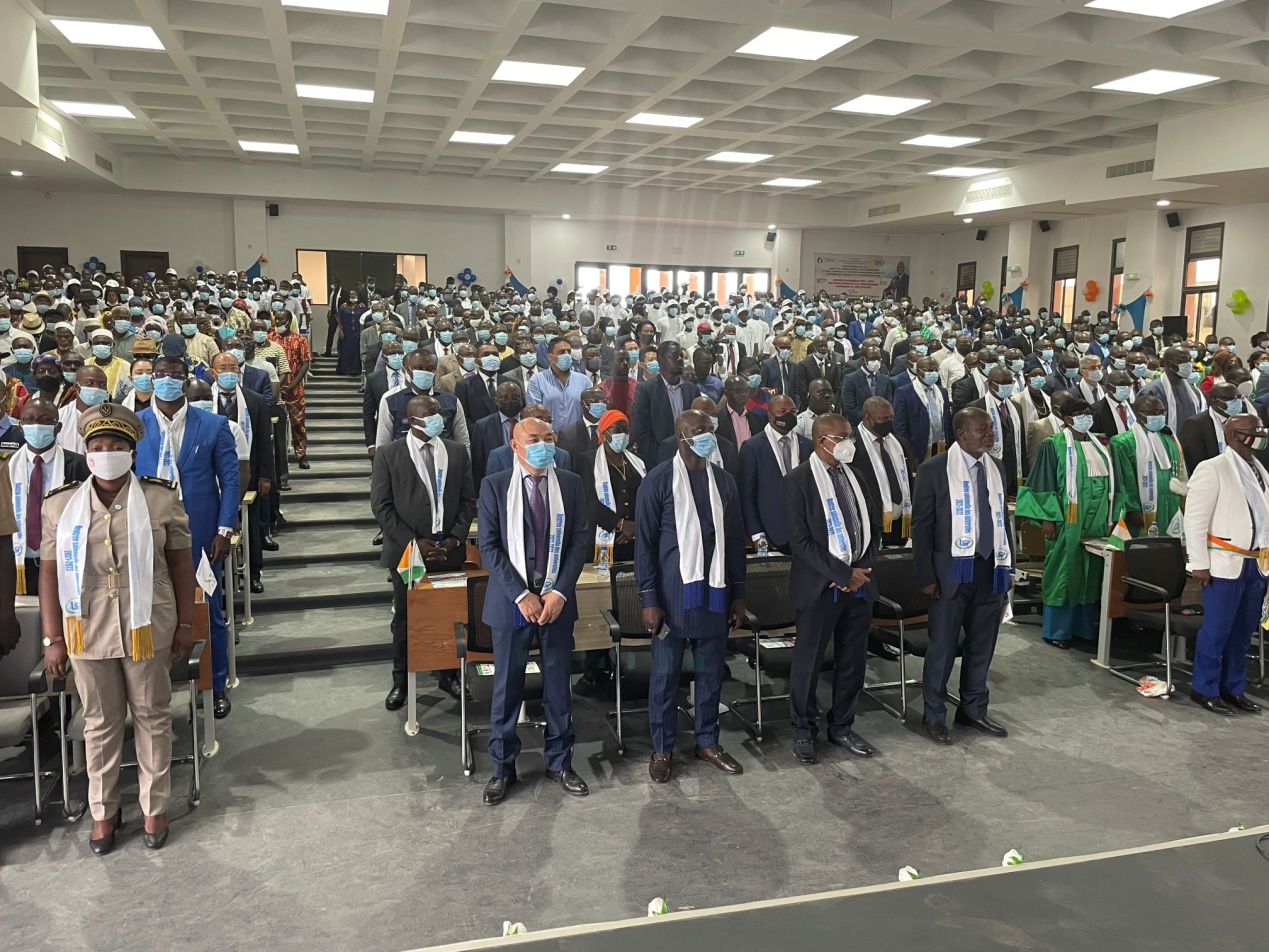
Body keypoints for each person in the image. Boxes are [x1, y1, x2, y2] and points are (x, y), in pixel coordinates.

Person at [40, 403, 197, 854]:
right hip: (86, 625)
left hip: (148, 623)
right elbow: (48, 573)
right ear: (87, 452)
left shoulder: (160, 498)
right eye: (98, 446)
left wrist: (186, 623)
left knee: (152, 715)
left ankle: (154, 806)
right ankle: (103, 810)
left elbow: (180, 564)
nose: (106, 453)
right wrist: (52, 638)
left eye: (116, 446)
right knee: (100, 723)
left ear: (132, 452)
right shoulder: (60, 504)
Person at [477, 416, 590, 805]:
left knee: (558, 688)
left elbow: (579, 541)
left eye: (548, 438)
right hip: (513, 604)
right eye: (534, 439)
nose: (543, 445)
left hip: (556, 604)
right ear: (515, 445)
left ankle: (560, 763)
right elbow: (489, 546)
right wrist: (521, 595)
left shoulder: (570, 484)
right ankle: (502, 769)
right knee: (507, 689)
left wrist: (559, 592)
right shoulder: (494, 486)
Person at [635, 409, 746, 783]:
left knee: (711, 674)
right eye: (699, 431)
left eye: (710, 429)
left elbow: (734, 542)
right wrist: (649, 600)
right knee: (665, 679)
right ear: (680, 437)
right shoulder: (657, 481)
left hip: (715, 596)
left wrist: (738, 594)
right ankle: (662, 748)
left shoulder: (724, 482)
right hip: (671, 599)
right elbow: (645, 546)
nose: (707, 436)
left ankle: (708, 742)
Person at [135, 356, 240, 716]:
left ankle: (215, 683)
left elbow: (230, 479)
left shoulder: (213, 424)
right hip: (148, 535)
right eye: (159, 375)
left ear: (185, 380)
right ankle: (160, 684)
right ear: (151, 379)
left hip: (201, 534)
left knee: (206, 611)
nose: (166, 380)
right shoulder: (135, 424)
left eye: (174, 375)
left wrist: (225, 528)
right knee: (151, 611)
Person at [781, 413, 881, 764]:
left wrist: (861, 569)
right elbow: (800, 541)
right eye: (842, 437)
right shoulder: (797, 481)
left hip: (859, 584)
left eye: (850, 435)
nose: (848, 443)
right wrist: (842, 573)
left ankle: (842, 726)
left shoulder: (856, 476)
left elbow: (872, 527)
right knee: (808, 664)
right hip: (819, 586)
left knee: (852, 661)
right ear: (821, 441)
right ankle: (803, 730)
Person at [911, 407, 1013, 745]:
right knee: (942, 648)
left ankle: (973, 709)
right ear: (961, 434)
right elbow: (922, 528)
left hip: (990, 569)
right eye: (982, 428)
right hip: (950, 573)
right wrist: (926, 576)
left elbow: (1002, 520)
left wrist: (1009, 566)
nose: (990, 434)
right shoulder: (934, 470)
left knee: (982, 645)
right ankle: (934, 714)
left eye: (991, 428)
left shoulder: (996, 467)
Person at [372, 394, 478, 709]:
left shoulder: (456, 452)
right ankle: (401, 680)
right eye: (430, 413)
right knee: (406, 619)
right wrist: (413, 541)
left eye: (438, 411)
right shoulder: (389, 454)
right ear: (412, 420)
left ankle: (449, 675)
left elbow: (468, 500)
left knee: (449, 616)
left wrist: (455, 538)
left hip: (448, 551)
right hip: (409, 554)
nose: (437, 417)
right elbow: (381, 505)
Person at [1183, 414, 1269, 717]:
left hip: (1256, 563)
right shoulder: (1213, 468)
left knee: (1243, 632)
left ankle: (1233, 688)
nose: (1260, 434)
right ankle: (1204, 689)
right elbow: (1194, 520)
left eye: (1261, 429)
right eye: (1253, 430)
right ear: (1233, 434)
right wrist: (1198, 563)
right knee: (1217, 630)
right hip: (1223, 563)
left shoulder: (1259, 469)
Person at [1014, 397, 1114, 648]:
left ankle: (1083, 629)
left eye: (1088, 413)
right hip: (1067, 520)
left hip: (1097, 520)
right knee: (1063, 572)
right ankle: (1057, 631)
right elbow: (1042, 483)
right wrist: (1047, 519)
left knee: (1089, 573)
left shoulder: (1101, 444)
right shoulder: (1053, 445)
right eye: (1080, 414)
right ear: (1068, 419)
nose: (1086, 417)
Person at [8, 397, 89, 595]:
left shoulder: (80, 466)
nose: (36, 425)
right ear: (21, 427)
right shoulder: (6, 466)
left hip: (65, 561)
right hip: (17, 562)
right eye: (29, 419)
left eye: (45, 420)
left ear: (58, 427)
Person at [210, 352, 273, 594]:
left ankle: (253, 573)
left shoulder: (254, 400)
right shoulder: (203, 398)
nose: (229, 372)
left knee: (251, 524)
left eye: (233, 367)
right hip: (213, 472)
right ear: (213, 373)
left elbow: (264, 441)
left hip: (248, 470)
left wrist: (266, 475)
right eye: (223, 368)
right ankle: (223, 575)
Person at [740, 395, 810, 555]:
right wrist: (757, 534)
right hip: (771, 532)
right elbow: (746, 495)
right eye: (783, 411)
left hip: (805, 532)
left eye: (793, 411)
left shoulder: (808, 446)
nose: (789, 415)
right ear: (770, 415)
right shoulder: (752, 447)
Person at [1110, 394, 1185, 537]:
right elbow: (1124, 479)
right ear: (1139, 415)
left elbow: (1178, 471)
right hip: (1143, 506)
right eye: (1154, 413)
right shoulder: (1123, 442)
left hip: (1170, 503)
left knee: (1171, 543)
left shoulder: (1169, 438)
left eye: (1162, 412)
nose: (1159, 416)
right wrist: (1132, 508)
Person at [630, 340, 700, 460]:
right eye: (674, 356)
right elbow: (640, 431)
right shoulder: (646, 390)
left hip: (690, 457)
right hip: (658, 459)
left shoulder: (692, 390)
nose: (680, 360)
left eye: (681, 356)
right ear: (661, 361)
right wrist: (661, 456)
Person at [857, 396, 911, 546]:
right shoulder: (853, 447)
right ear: (868, 418)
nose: (889, 422)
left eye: (891, 418)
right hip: (870, 523)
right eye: (884, 418)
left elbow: (907, 479)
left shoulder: (899, 442)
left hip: (900, 521)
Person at [968, 366, 1024, 495]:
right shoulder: (976, 407)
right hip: (986, 464)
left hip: (1012, 467)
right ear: (990, 384)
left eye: (1010, 382)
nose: (1007, 386)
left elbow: (1021, 440)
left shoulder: (1016, 407)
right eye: (1002, 383)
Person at [270, 308, 312, 469]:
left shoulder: (299, 339)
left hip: (294, 389)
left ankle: (301, 456)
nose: (278, 322)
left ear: (288, 321)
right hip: (273, 390)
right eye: (276, 319)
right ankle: (276, 458)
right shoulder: (269, 338)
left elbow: (305, 364)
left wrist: (292, 385)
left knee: (298, 423)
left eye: (281, 319)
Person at [1141, 345, 1207, 435]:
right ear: (1168, 363)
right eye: (1182, 361)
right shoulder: (1151, 392)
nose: (1188, 364)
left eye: (1189, 360)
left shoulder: (1195, 393)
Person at [1179, 381, 1243, 472]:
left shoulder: (1243, 422)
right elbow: (1194, 462)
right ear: (1214, 401)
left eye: (1239, 397)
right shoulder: (1195, 424)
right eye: (1231, 399)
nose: (1237, 402)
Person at [840, 343, 893, 425]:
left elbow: (889, 402)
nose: (876, 362)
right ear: (862, 359)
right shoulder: (850, 379)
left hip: (882, 424)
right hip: (859, 425)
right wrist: (870, 420)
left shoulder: (885, 380)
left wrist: (881, 419)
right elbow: (850, 407)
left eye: (878, 359)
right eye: (872, 359)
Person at [555, 386, 606, 464]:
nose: (600, 404)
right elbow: (564, 464)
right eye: (595, 401)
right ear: (582, 404)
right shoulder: (567, 434)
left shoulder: (612, 430)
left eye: (603, 401)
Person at [336, 291, 365, 377]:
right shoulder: (343, 307)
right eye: (351, 295)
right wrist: (340, 331)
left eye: (354, 294)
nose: (353, 296)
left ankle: (356, 369)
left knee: (356, 351)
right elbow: (340, 320)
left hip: (358, 332)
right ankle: (345, 369)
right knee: (346, 351)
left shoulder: (362, 307)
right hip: (346, 333)